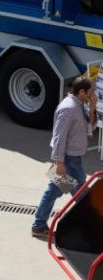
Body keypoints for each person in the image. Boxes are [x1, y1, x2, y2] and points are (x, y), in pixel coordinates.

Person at [31, 75, 95, 237]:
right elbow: (59, 137)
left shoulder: (80, 105)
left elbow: (89, 131)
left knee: (54, 192)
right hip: (68, 161)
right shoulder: (68, 108)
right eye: (91, 91)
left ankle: (39, 226)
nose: (93, 94)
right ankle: (91, 227)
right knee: (81, 194)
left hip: (74, 159)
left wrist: (92, 107)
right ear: (82, 91)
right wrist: (59, 163)